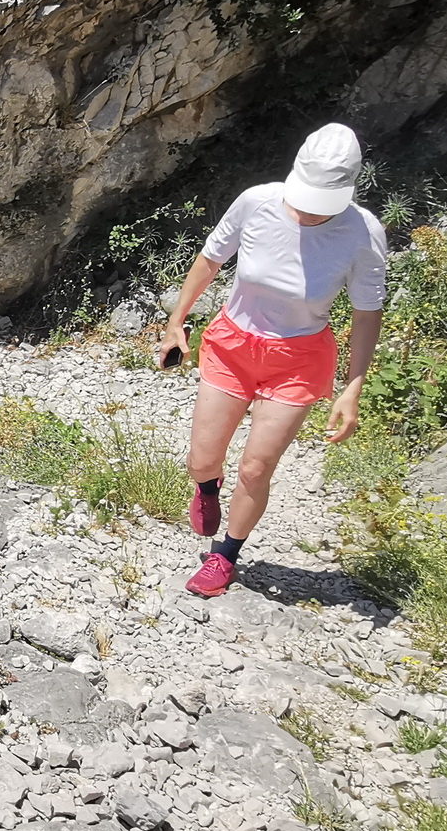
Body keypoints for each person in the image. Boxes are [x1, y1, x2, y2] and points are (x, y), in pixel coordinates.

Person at [155, 123, 389, 598]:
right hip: (233, 344)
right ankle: (207, 487)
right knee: (202, 460)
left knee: (257, 468)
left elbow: (367, 314)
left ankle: (225, 556)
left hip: (299, 358)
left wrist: (352, 386)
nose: (307, 210)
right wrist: (177, 319)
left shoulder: (363, 233)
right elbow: (209, 260)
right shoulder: (257, 202)